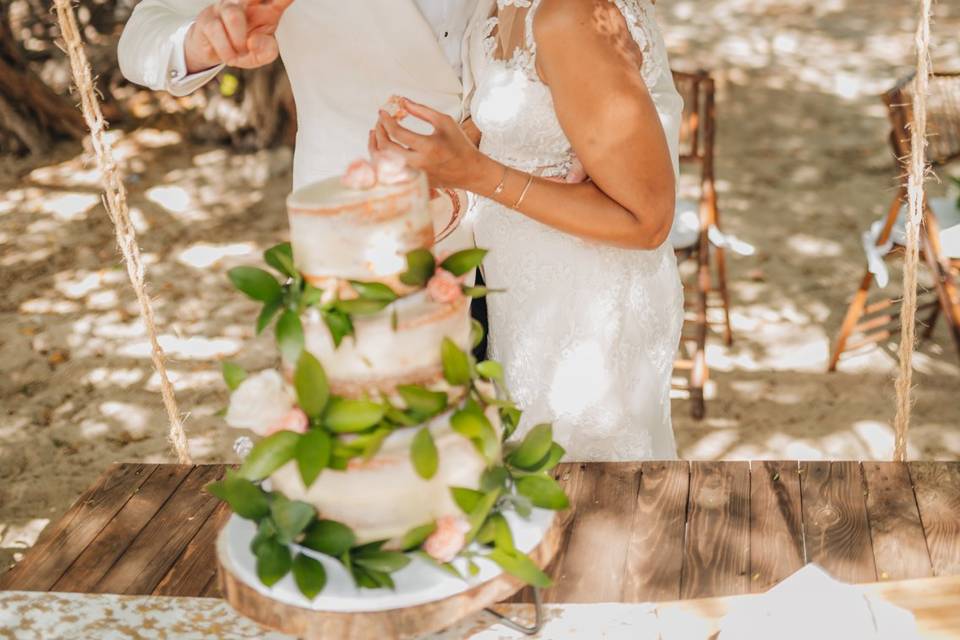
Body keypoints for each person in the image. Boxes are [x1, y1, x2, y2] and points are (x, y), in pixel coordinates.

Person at [373, 0, 684, 461]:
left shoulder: (570, 16)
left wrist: (476, 174)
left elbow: (647, 219)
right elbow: (519, 121)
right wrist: (436, 161)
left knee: (589, 493)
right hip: (525, 303)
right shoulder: (495, 9)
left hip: (589, 314)